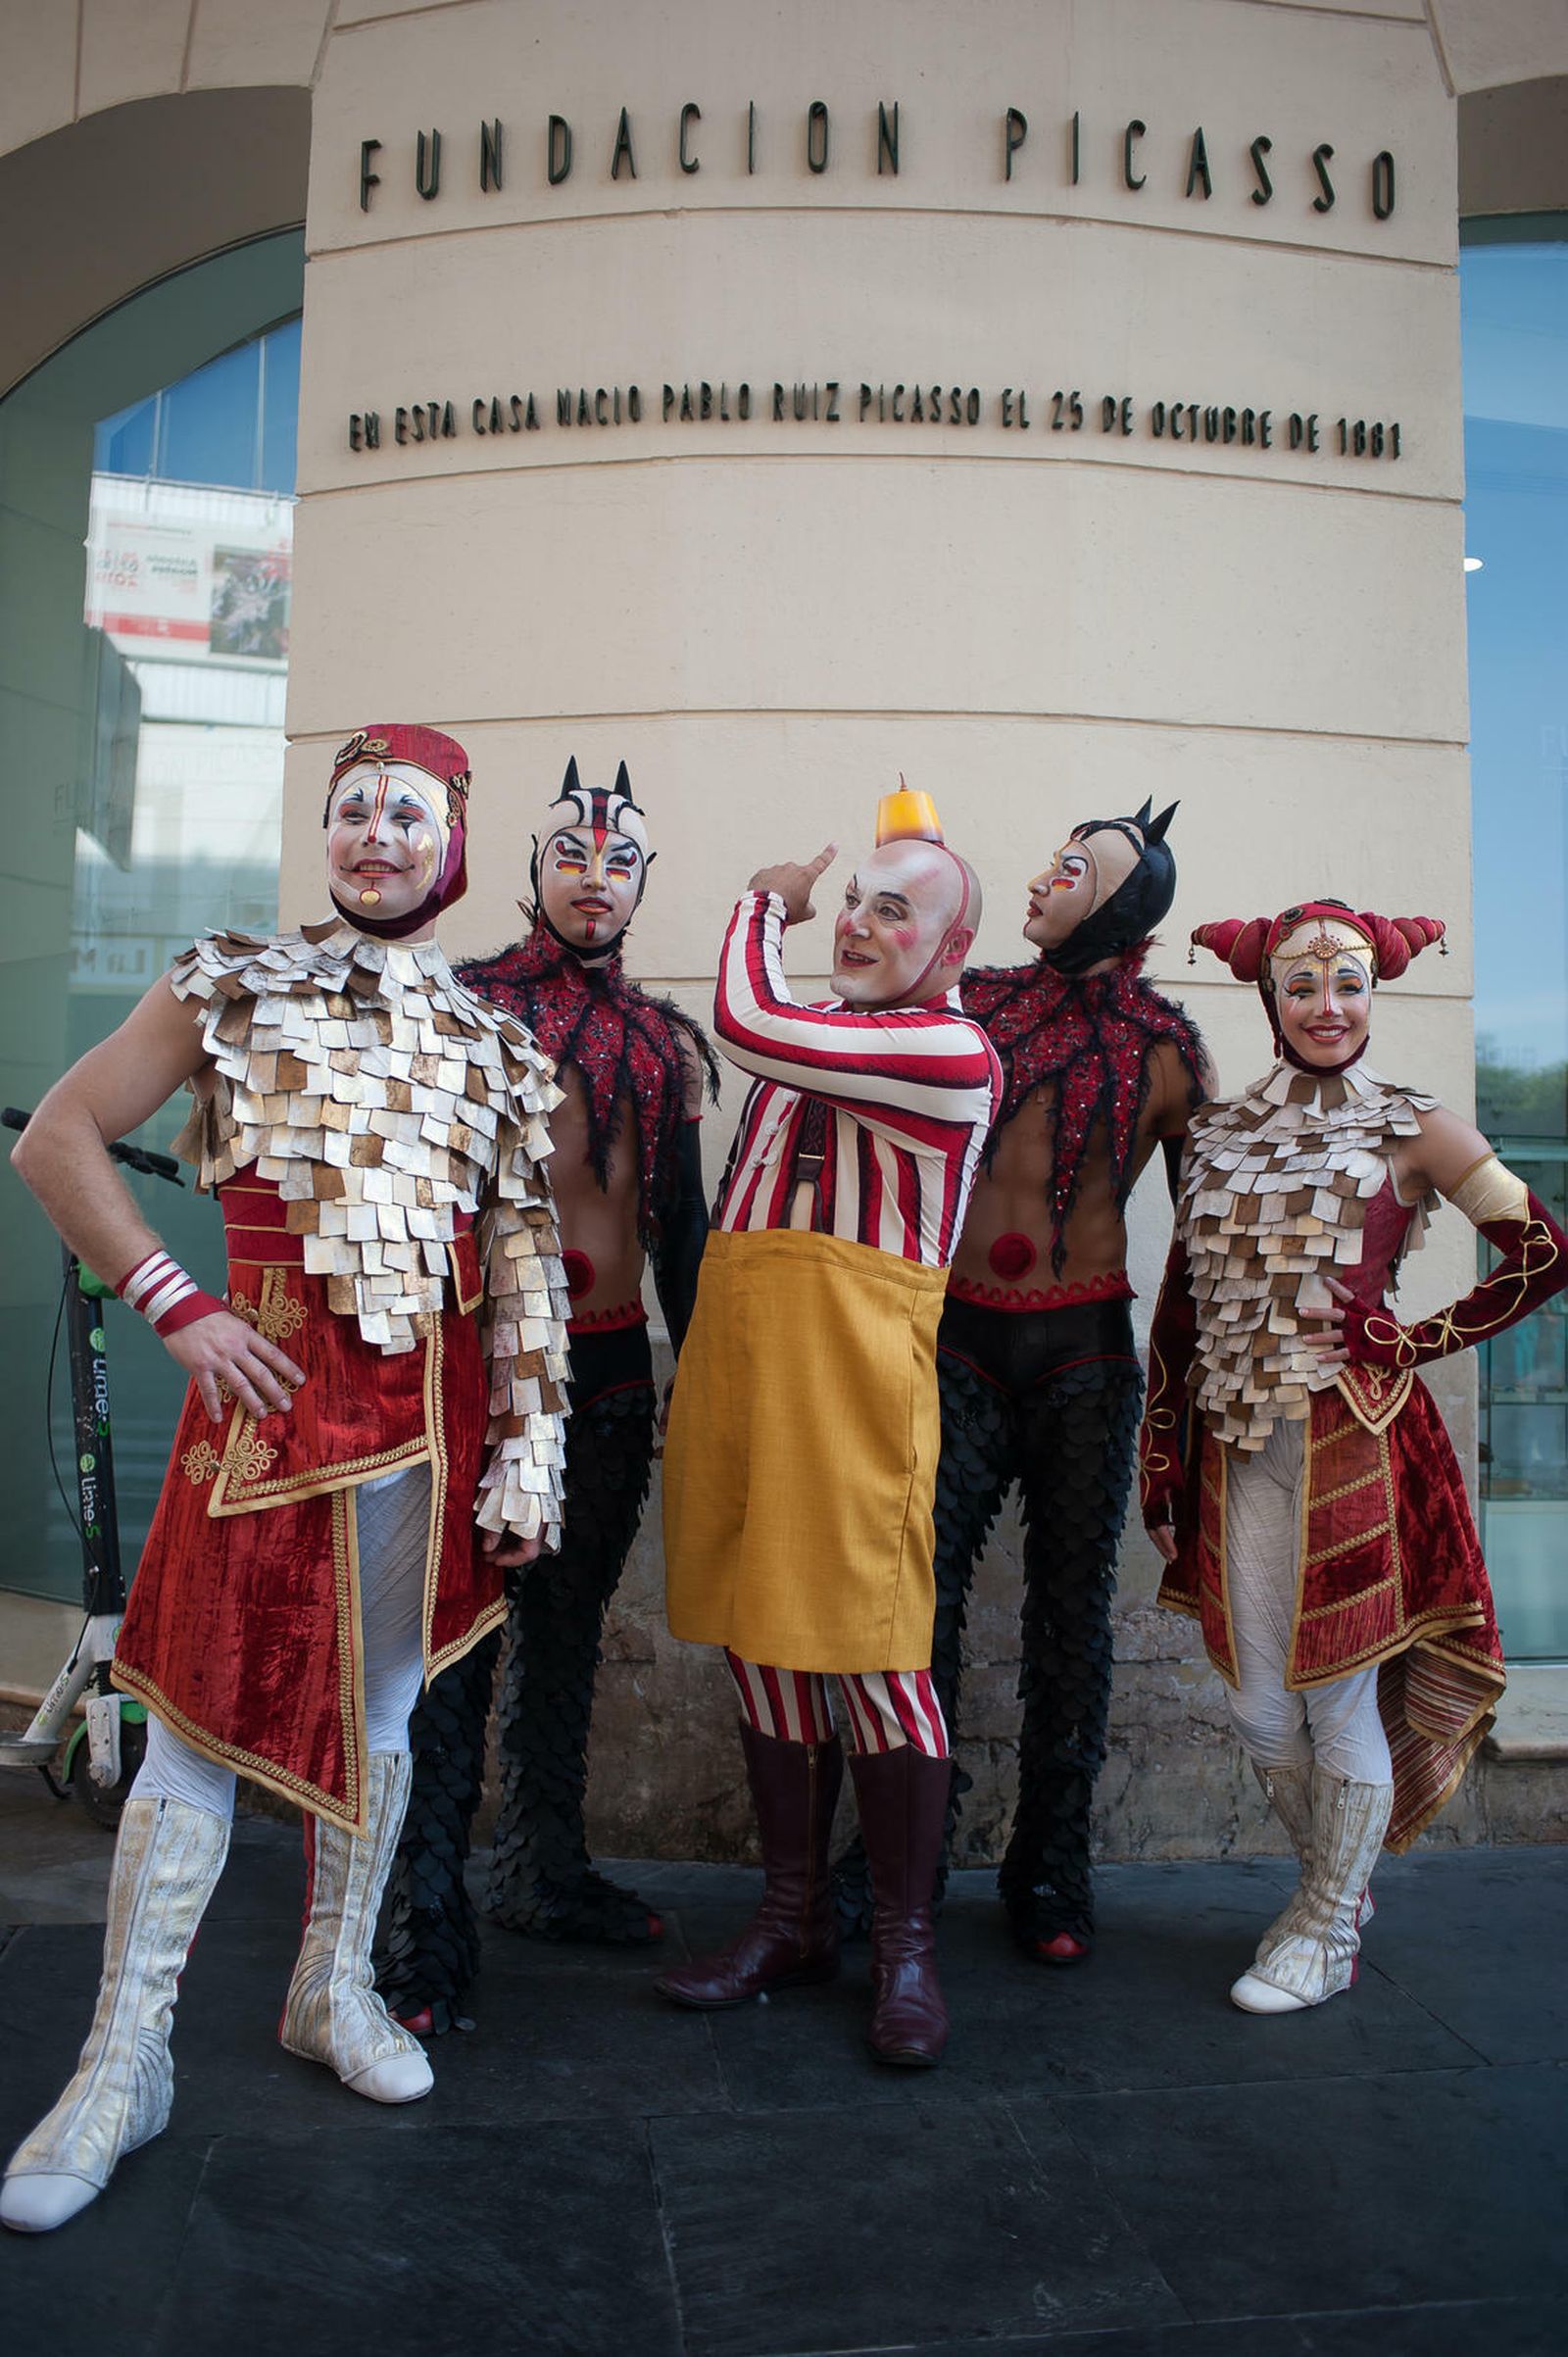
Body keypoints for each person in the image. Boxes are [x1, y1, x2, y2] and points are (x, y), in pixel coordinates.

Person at [1, 725, 569, 2232]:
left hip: (430, 1429)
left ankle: (335, 1983)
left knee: (387, 1707)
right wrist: (173, 1304)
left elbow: (519, 1266)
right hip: (260, 1415)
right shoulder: (230, 978)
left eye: (407, 815)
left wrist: (531, 1446)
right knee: (188, 1723)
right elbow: (58, 1137)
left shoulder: (504, 1042)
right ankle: (124, 2060)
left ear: (454, 840)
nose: (376, 836)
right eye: (352, 812)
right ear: (325, 833)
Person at [1140, 898, 1567, 2012]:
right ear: (1271, 996)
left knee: (1334, 1703)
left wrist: (1413, 1337)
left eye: (1348, 984)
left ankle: (1326, 1921)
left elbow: (1544, 1249)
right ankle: (1338, 1878)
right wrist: (1158, 1455)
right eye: (1301, 985)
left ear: (1374, 991)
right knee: (1256, 1709)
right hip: (1236, 1446)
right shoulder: (1221, 1130)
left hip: (1355, 1446)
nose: (1327, 1007)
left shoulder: (1414, 1127)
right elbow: (1181, 1315)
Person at [657, 788, 1003, 2067]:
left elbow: (748, 1018)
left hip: (856, 1382)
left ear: (949, 948)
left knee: (877, 1653)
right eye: (852, 898)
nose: (855, 921)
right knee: (761, 1633)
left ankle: (906, 1948)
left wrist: (766, 901)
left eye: (890, 908)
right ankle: (792, 1920)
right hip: (744, 1356)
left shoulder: (949, 1054)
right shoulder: (830, 1034)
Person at [834, 800, 1209, 1964]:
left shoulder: (1166, 1048)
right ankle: (900, 1853)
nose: (1045, 879)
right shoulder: (972, 1003)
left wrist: (1212, 1383)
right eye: (1051, 861)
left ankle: (1050, 1866)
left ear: (1121, 904)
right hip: (954, 1343)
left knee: (1070, 1613)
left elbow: (1206, 1230)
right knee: (914, 1601)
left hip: (1086, 1357)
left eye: (1074, 870)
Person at [380, 759, 715, 2029]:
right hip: (485, 1365)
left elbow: (678, 1226)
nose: (595, 874)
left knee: (564, 1637)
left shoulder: (659, 1041)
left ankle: (542, 1867)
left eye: (619, 860)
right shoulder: (460, 1010)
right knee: (454, 1645)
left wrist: (700, 1372)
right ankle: (422, 1917)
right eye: (572, 853)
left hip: (618, 1373)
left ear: (640, 887)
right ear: (532, 869)